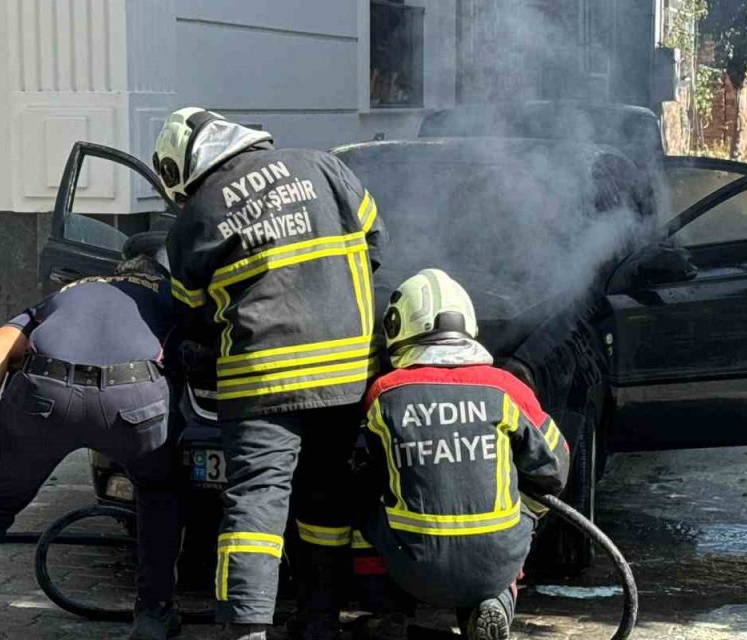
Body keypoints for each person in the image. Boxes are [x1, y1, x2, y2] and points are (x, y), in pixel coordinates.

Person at [152, 108, 387, 640]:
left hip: (261, 381)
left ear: (185, 170)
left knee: (256, 503)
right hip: (346, 375)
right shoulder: (326, 167)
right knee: (325, 498)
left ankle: (246, 631)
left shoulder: (197, 216)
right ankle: (319, 622)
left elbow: (190, 314)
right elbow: (375, 244)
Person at [0, 253, 185, 640]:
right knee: (158, 494)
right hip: (134, 398)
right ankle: (153, 616)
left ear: (114, 274)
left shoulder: (72, 291)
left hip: (44, 391)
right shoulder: (171, 295)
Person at [349, 269, 571, 640]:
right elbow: (556, 466)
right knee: (510, 524)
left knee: (364, 510)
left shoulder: (386, 393)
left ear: (397, 326)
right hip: (495, 565)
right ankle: (494, 604)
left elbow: (362, 472)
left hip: (413, 566)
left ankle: (386, 614)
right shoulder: (507, 388)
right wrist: (524, 513)